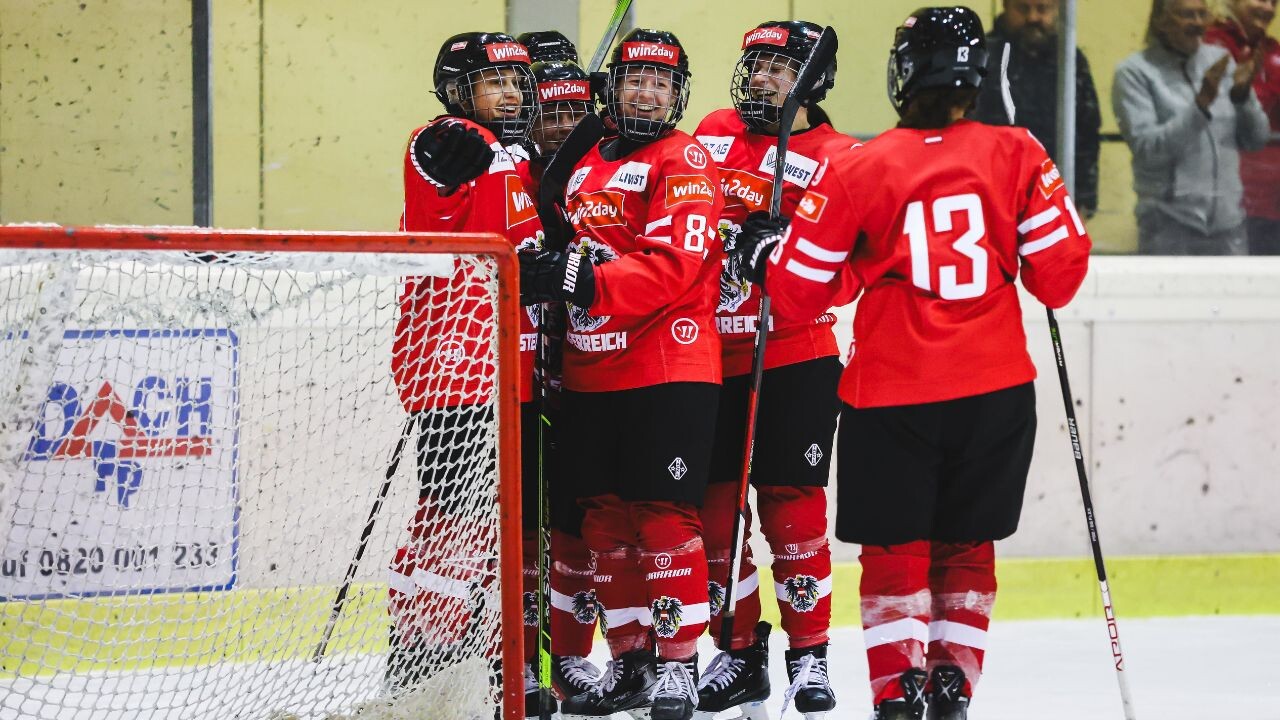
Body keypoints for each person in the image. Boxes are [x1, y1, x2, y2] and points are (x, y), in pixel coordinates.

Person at [731, 7, 1091, 719]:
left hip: (891, 396)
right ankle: (953, 684)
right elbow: (1059, 280)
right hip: (995, 393)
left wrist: (761, 252)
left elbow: (802, 293)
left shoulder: (859, 166)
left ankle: (899, 694)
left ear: (902, 73)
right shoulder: (1020, 154)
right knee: (967, 545)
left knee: (895, 552)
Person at [518, 28, 724, 720]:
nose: (647, 92)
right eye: (636, 79)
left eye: (661, 84)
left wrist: (575, 278)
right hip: (589, 369)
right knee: (605, 519)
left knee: (663, 517)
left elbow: (674, 266)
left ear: (677, 96)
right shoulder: (586, 163)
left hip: (667, 364)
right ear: (615, 88)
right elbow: (559, 236)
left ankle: (677, 665)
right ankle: (632, 659)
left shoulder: (684, 156)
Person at [690, 19, 850, 720]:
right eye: (755, 64)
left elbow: (845, 276)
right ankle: (740, 652)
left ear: (812, 81)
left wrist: (783, 248)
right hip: (704, 357)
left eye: (779, 69)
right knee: (713, 515)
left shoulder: (840, 156)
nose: (760, 78)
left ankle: (809, 654)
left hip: (793, 356)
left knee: (793, 511)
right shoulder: (712, 129)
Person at [387, 31, 549, 717]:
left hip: (502, 366)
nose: (510, 93)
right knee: (453, 523)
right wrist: (451, 151)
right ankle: (427, 659)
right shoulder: (446, 141)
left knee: (485, 527)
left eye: (517, 81)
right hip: (457, 370)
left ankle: (473, 657)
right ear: (459, 92)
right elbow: (435, 166)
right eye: (494, 82)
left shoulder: (518, 158)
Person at [519, 30, 607, 703]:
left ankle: (571, 660)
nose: (560, 128)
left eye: (573, 115)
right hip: (522, 380)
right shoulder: (511, 172)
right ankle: (519, 657)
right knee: (521, 527)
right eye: (548, 115)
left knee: (578, 526)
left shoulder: (604, 173)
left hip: (593, 378)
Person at [1114, 0, 1270, 254]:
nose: (1198, 23)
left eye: (1202, 14)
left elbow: (1257, 139)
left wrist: (1243, 100)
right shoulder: (1134, 73)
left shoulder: (1221, 60)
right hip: (1168, 228)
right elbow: (1148, 151)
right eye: (1187, 15)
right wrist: (1200, 107)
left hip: (1229, 227)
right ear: (1161, 21)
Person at [972, 0, 1102, 219]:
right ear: (1005, 6)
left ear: (1057, 10)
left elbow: (1086, 132)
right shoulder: (981, 58)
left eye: (1042, 8)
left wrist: (1083, 200)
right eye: (1023, 8)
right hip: (992, 198)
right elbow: (967, 136)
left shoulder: (1070, 60)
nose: (1033, 17)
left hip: (1056, 195)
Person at [1206, 0, 1280, 254]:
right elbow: (1219, 112)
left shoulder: (1272, 50)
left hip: (1273, 203)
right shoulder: (1211, 45)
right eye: (1260, 0)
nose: (1269, 9)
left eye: (1275, 2)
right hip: (1228, 202)